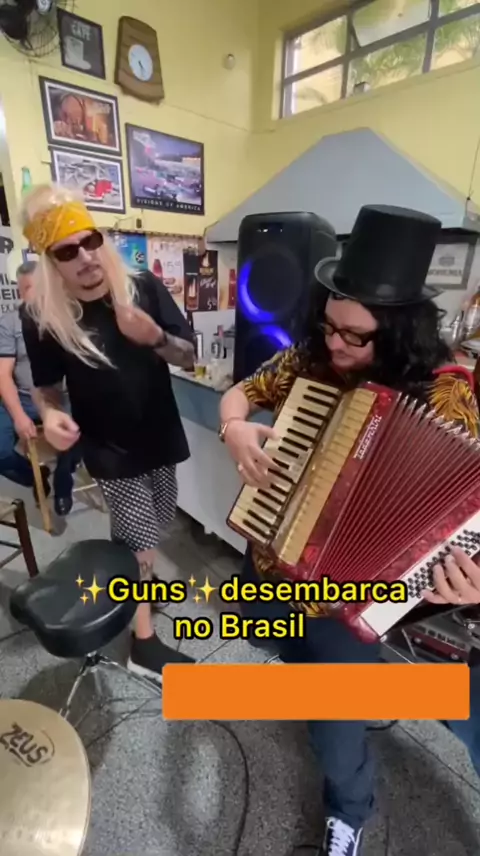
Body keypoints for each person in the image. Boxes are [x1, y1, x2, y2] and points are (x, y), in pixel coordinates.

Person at [219, 205, 480, 856]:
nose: (335, 345)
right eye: (329, 326)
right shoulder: (311, 359)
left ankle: (349, 814)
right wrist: (234, 427)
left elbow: (465, 513)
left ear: (397, 332)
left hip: (350, 599)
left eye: (355, 337)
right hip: (273, 559)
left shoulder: (446, 396)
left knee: (336, 725)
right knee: (271, 640)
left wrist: (464, 579)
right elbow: (243, 392)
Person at [20, 183, 196, 682]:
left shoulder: (142, 288)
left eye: (90, 241)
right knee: (138, 543)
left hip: (159, 434)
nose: (85, 257)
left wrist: (154, 336)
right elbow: (46, 388)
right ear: (50, 261)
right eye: (67, 251)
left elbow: (189, 356)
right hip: (109, 449)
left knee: (156, 528)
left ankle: (136, 593)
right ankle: (143, 645)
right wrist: (50, 414)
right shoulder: (43, 317)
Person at [0, 261, 78, 515]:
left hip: (61, 398)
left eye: (34, 288)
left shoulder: (67, 317)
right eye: (24, 289)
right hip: (23, 398)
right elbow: (3, 375)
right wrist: (19, 416)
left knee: (76, 434)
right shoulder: (10, 322)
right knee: (1, 452)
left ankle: (63, 484)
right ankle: (36, 476)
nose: (29, 296)